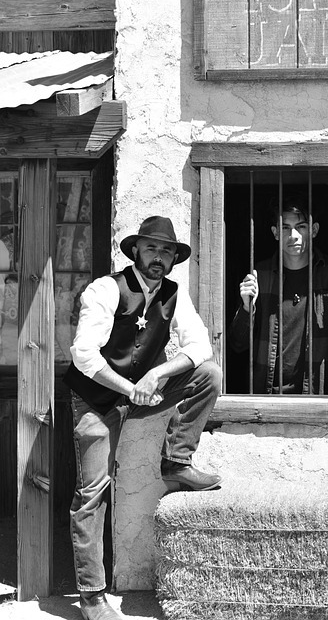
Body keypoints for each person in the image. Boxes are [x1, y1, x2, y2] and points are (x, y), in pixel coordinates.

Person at [63, 216, 222, 620]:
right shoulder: (106, 289)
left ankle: (176, 461)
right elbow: (83, 355)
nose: (158, 257)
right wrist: (127, 387)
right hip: (97, 399)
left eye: (166, 251)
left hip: (142, 392)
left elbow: (199, 346)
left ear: (173, 258)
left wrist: (156, 374)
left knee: (208, 374)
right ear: (136, 250)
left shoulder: (174, 294)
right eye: (151, 248)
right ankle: (92, 597)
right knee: (92, 492)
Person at [228, 196, 328, 395]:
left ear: (314, 230)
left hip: (319, 396)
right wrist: (247, 308)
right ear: (275, 233)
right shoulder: (260, 275)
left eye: (301, 226)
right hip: (267, 396)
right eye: (285, 228)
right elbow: (237, 345)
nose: (293, 235)